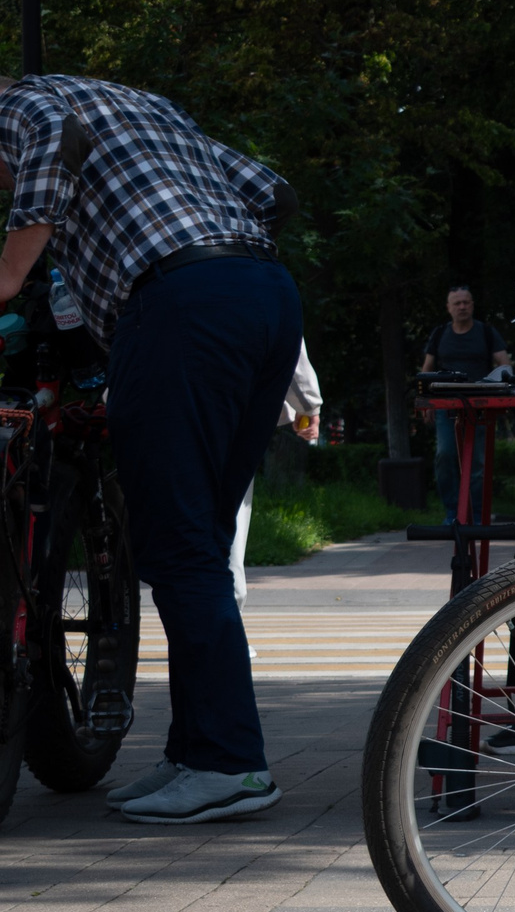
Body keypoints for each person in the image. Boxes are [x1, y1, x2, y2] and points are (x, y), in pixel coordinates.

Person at [0, 74, 301, 824]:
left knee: (175, 545)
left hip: (177, 309)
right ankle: (197, 751)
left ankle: (231, 761)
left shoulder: (24, 105)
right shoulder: (140, 102)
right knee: (195, 538)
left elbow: (44, 161)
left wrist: (10, 273)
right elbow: (272, 191)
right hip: (264, 292)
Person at [230, 342, 322, 610]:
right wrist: (308, 406)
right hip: (227, 409)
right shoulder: (247, 296)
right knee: (227, 520)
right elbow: (287, 340)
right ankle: (225, 629)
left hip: (152, 404)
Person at [419, 283, 511, 520]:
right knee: (445, 455)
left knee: (477, 463)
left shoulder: (486, 332)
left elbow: (504, 363)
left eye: (466, 302)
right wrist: (425, 401)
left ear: (472, 304)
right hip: (445, 406)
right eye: (457, 303)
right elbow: (427, 370)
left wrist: (501, 387)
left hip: (479, 407)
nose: (462, 307)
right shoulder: (440, 334)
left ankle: (477, 514)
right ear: (448, 308)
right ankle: (453, 512)